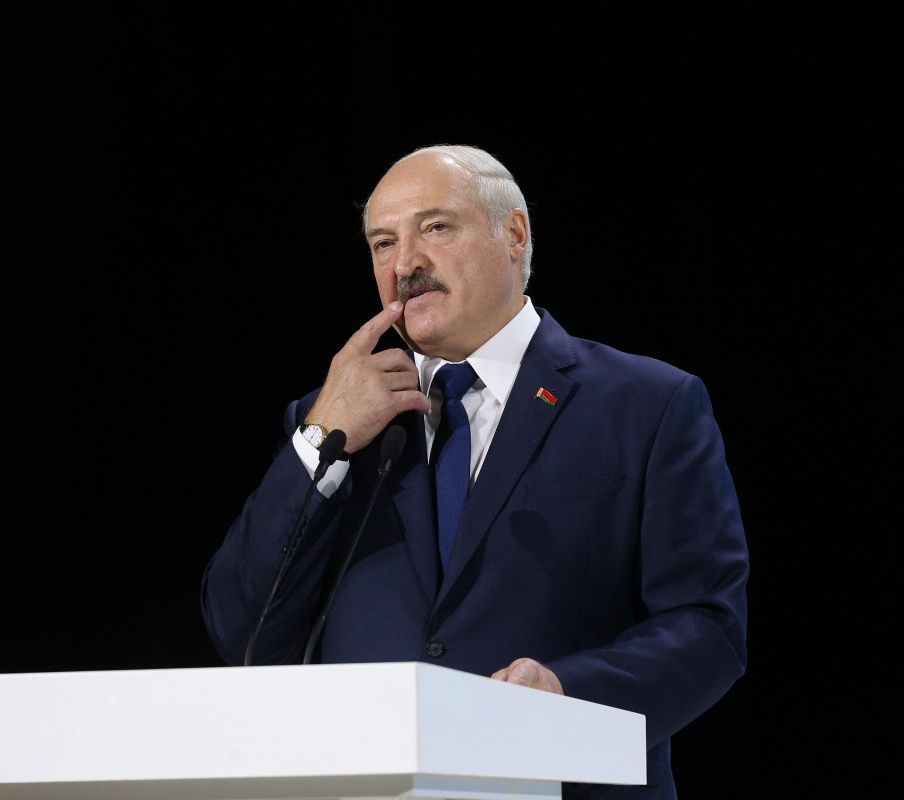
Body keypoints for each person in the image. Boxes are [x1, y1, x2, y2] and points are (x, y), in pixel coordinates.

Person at [200, 144, 749, 799]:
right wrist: (321, 437)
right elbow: (244, 632)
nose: (405, 264)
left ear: (513, 235)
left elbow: (706, 625)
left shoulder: (645, 405)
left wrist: (567, 692)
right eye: (382, 243)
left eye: (435, 227)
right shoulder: (334, 423)